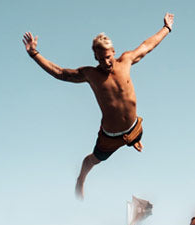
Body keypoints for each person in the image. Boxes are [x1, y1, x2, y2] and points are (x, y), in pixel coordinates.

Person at [22, 13, 175, 198]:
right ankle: (81, 179)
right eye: (101, 59)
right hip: (110, 136)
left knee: (136, 136)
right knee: (92, 160)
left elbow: (147, 46)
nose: (106, 62)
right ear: (95, 56)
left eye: (108, 57)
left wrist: (166, 28)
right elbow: (60, 73)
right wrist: (34, 54)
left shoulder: (126, 60)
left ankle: (133, 140)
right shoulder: (90, 74)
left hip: (135, 127)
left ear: (114, 52)